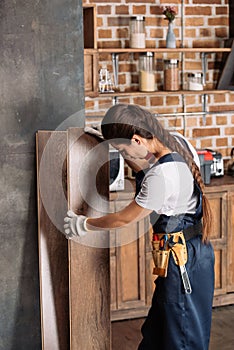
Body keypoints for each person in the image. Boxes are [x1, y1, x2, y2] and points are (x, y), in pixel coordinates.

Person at [64, 104, 214, 350]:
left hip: (184, 261)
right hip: (186, 256)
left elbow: (124, 218)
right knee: (158, 333)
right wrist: (112, 140)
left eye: (123, 149)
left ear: (136, 139)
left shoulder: (162, 176)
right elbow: (142, 163)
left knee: (182, 339)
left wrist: (84, 223)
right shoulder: (175, 142)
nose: (124, 156)